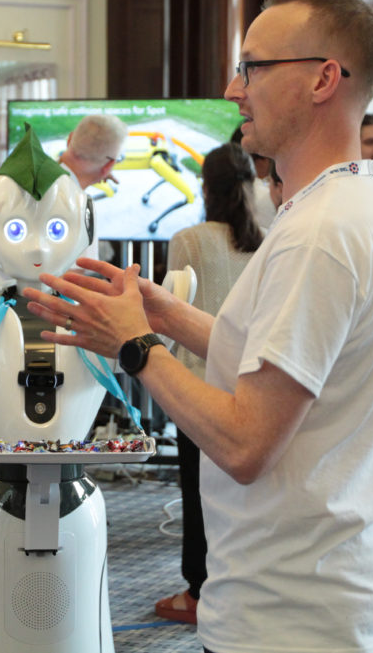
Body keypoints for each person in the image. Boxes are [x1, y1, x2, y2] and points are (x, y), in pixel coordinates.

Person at [25, 0, 373, 653]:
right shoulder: (369, 204)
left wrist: (135, 345)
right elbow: (289, 364)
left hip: (292, 618)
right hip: (345, 597)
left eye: (253, 67)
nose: (232, 88)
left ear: (324, 77)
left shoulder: (321, 232)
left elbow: (246, 443)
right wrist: (164, 313)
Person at [154, 142, 264, 626]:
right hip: (253, 381)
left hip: (197, 385)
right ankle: (238, 584)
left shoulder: (189, 239)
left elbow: (167, 314)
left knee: (198, 495)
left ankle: (198, 589)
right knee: (244, 496)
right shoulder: (269, 238)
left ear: (204, 187)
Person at [0, 113, 127, 291]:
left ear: (70, 139)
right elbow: (78, 283)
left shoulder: (12, 183)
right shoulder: (79, 206)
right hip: (45, 315)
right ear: (109, 166)